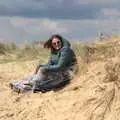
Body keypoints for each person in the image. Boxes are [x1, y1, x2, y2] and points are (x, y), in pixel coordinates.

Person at [9, 34, 78, 93]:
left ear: (61, 42)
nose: (56, 44)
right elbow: (50, 64)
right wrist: (40, 66)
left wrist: (45, 68)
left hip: (66, 73)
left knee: (40, 79)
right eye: (54, 43)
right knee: (35, 75)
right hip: (58, 70)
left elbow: (60, 66)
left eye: (58, 42)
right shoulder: (54, 51)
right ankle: (19, 84)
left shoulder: (65, 50)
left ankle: (24, 88)